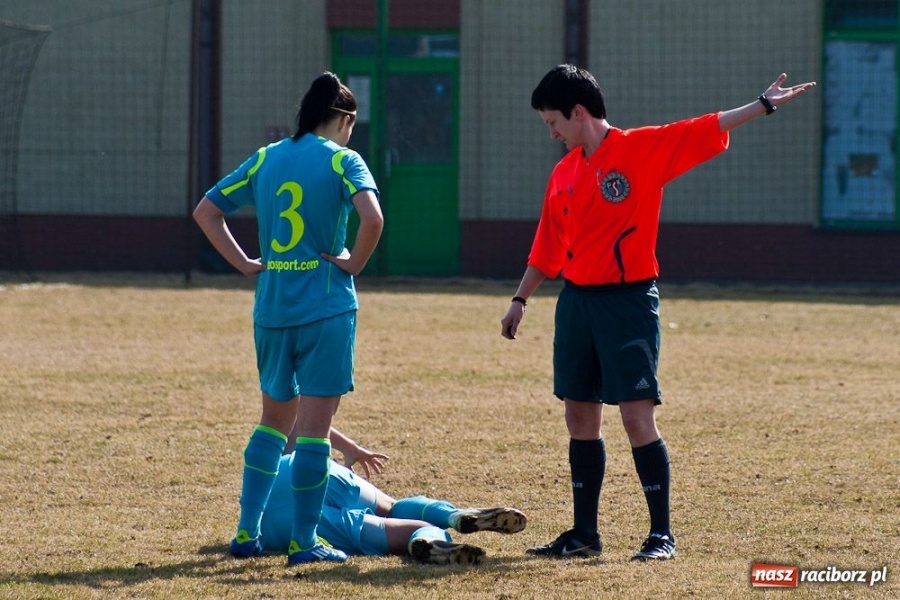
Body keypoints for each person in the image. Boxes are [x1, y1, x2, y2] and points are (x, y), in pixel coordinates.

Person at [500, 65, 815, 561]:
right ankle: (584, 535)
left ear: (578, 113)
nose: (552, 132)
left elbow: (705, 127)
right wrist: (520, 300)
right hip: (577, 303)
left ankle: (660, 536)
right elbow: (548, 244)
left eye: (553, 122)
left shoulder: (641, 150)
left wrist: (763, 104)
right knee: (578, 416)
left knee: (635, 418)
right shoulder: (563, 172)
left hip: (627, 304)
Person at [193, 72, 384, 565]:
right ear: (342, 119)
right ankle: (304, 541)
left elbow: (206, 211)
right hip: (326, 308)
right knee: (315, 432)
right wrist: (353, 264)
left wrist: (245, 264)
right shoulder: (344, 159)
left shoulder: (267, 156)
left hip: (273, 308)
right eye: (351, 124)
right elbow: (373, 218)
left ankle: (245, 533)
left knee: (272, 424)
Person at [259, 449, 528, 565]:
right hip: (315, 473)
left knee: (388, 523)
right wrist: (348, 447)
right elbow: (308, 419)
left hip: (269, 517)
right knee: (391, 507)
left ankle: (425, 540)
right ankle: (449, 519)